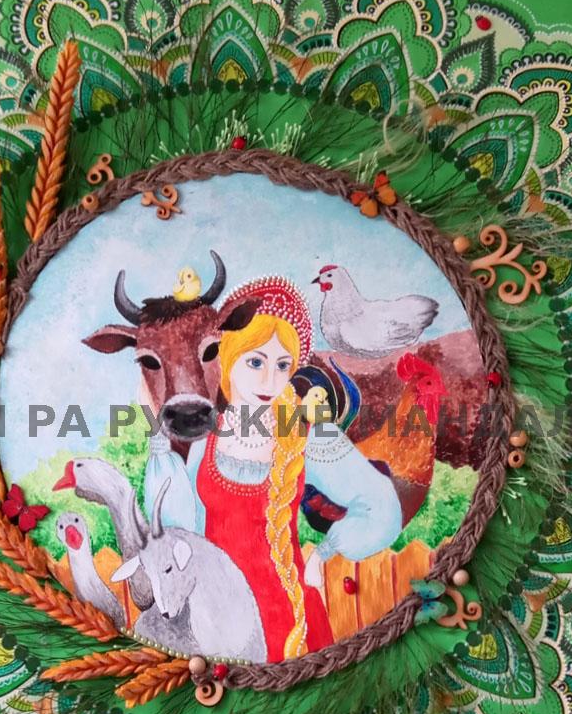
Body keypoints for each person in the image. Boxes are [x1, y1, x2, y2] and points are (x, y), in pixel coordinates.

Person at [144, 278, 402, 662]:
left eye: (283, 365)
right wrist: (156, 433)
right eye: (255, 362)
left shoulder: (306, 435)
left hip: (288, 614)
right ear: (229, 359)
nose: (270, 380)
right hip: (217, 617)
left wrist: (325, 552)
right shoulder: (206, 435)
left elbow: (381, 507)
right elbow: (176, 525)